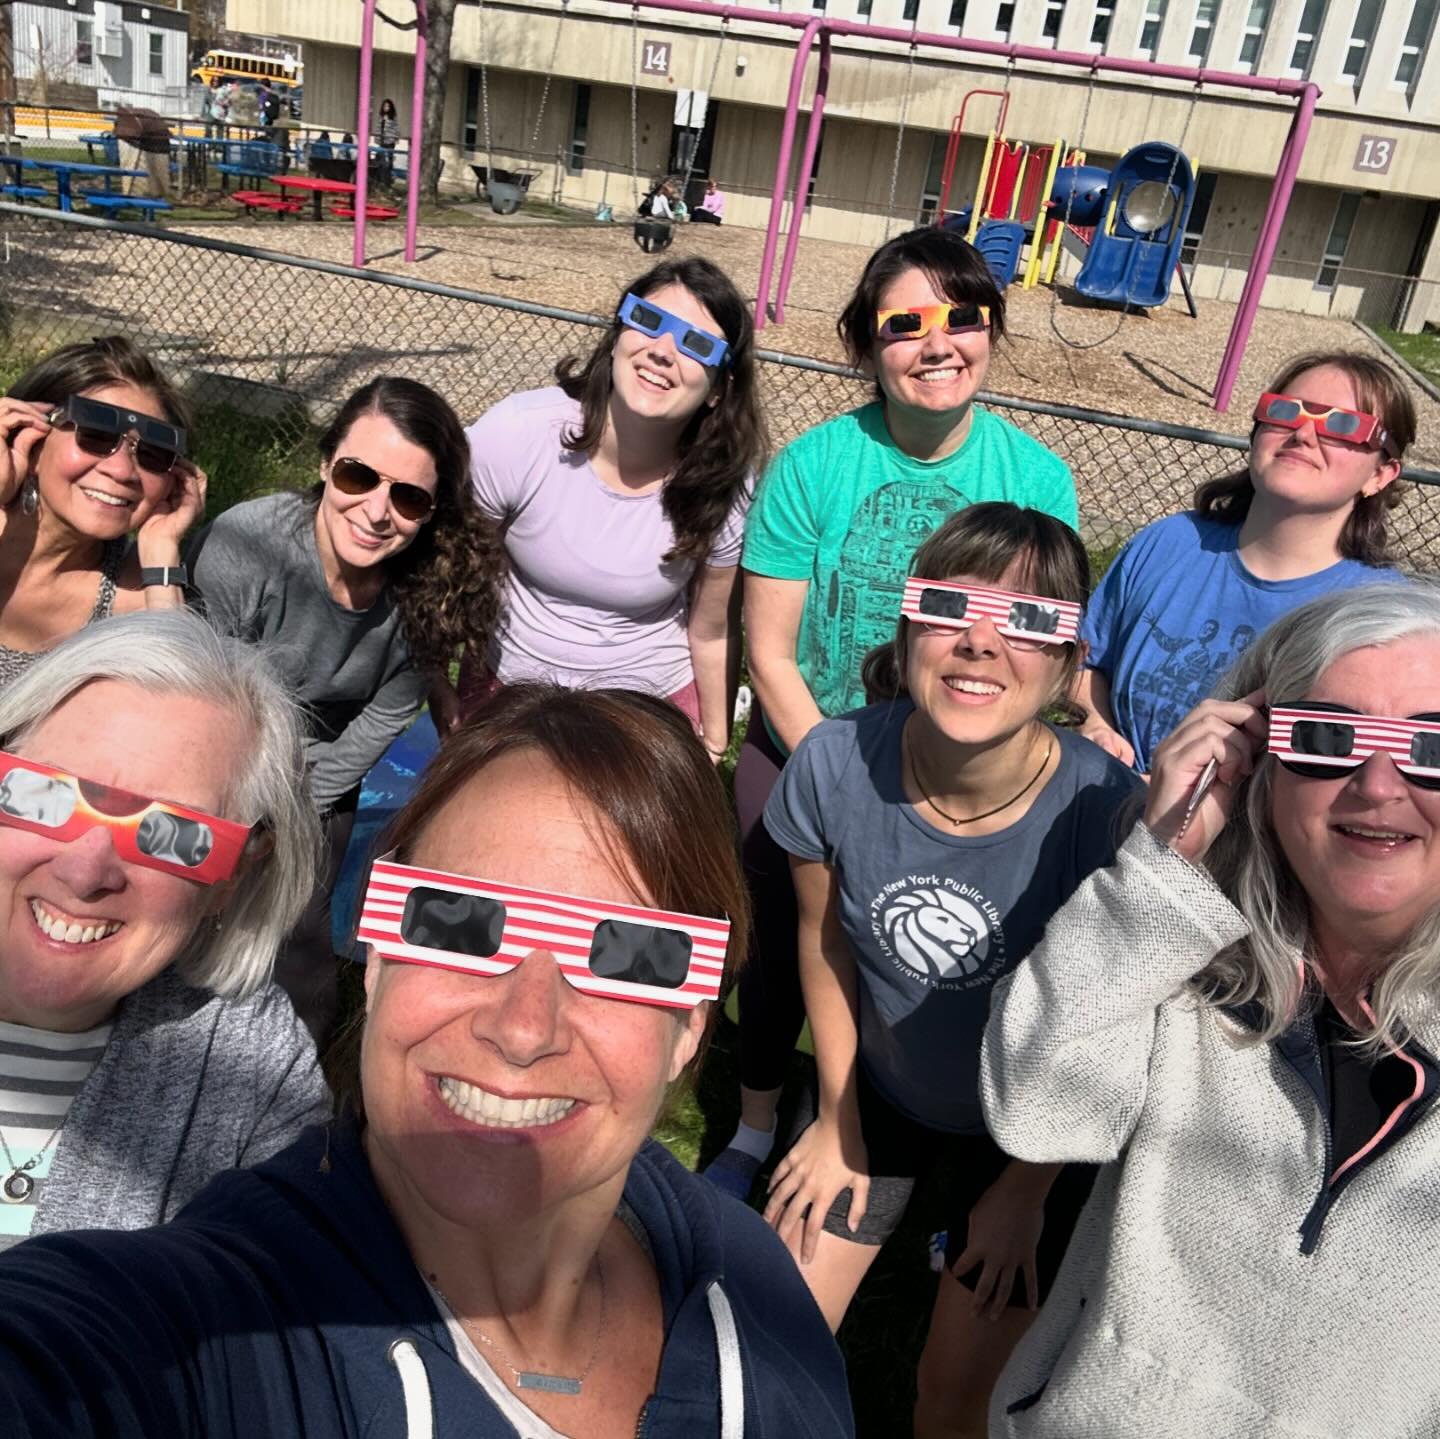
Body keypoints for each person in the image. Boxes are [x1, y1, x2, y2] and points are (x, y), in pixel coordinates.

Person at [0, 685, 856, 1439]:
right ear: (375, 954)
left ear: (690, 1028)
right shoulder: (204, 1330)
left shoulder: (753, 1282)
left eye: (627, 956)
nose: (524, 1028)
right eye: (457, 924)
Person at [982, 580, 1440, 1437]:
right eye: (1327, 738)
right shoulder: (1177, 955)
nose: (1379, 785)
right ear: (1254, 762)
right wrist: (1159, 868)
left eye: (1432, 748)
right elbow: (1039, 1113)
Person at [707, 227, 1077, 1189]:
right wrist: (837, 774)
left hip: (960, 761)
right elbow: (771, 651)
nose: (937, 341)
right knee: (777, 947)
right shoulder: (815, 465)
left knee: (954, 945)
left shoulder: (1035, 478)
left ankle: (916, 1119)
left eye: (962, 316)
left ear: (991, 330)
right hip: (810, 740)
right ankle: (754, 1122)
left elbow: (1040, 649)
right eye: (903, 323)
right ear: (868, 345)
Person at [757, 504, 1137, 1437]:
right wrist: (838, 1117)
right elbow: (825, 944)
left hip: (1030, 1123)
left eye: (1029, 621)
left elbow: (1112, 1023)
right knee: (767, 1343)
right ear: (909, 627)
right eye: (948, 606)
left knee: (957, 1400)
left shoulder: (1102, 809)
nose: (979, 642)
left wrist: (1023, 1193)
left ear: (1066, 663)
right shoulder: (832, 760)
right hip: (879, 1087)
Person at [188, 376, 504, 1041]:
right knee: (185, 922)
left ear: (431, 512)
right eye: (359, 475)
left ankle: (291, 1091)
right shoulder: (250, 545)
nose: (378, 509)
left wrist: (289, 818)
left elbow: (385, 715)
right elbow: (202, 695)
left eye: (409, 496)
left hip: (319, 776)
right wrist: (244, 814)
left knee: (301, 956)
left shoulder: (426, 589)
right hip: (213, 749)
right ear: (325, 464)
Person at [0, 608, 326, 1246]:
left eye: (172, 834)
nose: (86, 869)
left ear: (230, 880)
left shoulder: (252, 1070)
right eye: (47, 796)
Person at [446, 257, 763, 761]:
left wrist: (715, 742)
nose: (662, 351)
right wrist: (441, 690)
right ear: (618, 334)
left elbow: (711, 629)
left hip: (648, 700)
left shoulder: (724, 483)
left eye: (697, 345)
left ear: (718, 390)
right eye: (649, 321)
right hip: (513, 683)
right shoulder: (519, 433)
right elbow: (452, 575)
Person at [1076, 350, 1414, 774]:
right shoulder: (1169, 542)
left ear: (1380, 475)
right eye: (1285, 412)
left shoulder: (1382, 615)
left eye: (1343, 424)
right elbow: (1086, 661)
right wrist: (1097, 723)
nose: (1304, 433)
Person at [0, 336, 205, 688]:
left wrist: (161, 549)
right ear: (28, 434)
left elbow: (176, 708)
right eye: (96, 435)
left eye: (153, 453)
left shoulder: (137, 601)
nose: (123, 470)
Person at [376, 98, 400, 187]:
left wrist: (395, 138)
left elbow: (396, 128)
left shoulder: (393, 117)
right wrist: (377, 138)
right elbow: (378, 128)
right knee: (381, 160)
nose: (386, 108)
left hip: (389, 141)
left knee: (389, 160)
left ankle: (388, 181)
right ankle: (380, 180)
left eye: (388, 106)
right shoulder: (381, 116)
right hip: (381, 141)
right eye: (385, 106)